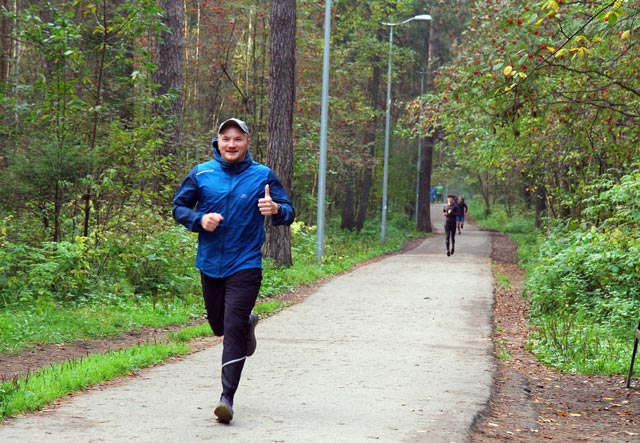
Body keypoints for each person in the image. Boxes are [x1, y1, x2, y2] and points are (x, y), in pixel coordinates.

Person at [172, 118, 295, 423]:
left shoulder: (262, 176)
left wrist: (276, 210)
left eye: (237, 139)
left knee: (232, 330)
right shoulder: (202, 173)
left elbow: (288, 212)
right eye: (225, 139)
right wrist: (199, 220)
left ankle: (226, 399)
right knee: (219, 326)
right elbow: (178, 208)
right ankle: (246, 325)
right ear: (217, 142)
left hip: (246, 263)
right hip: (211, 264)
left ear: (247, 143)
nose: (231, 144)